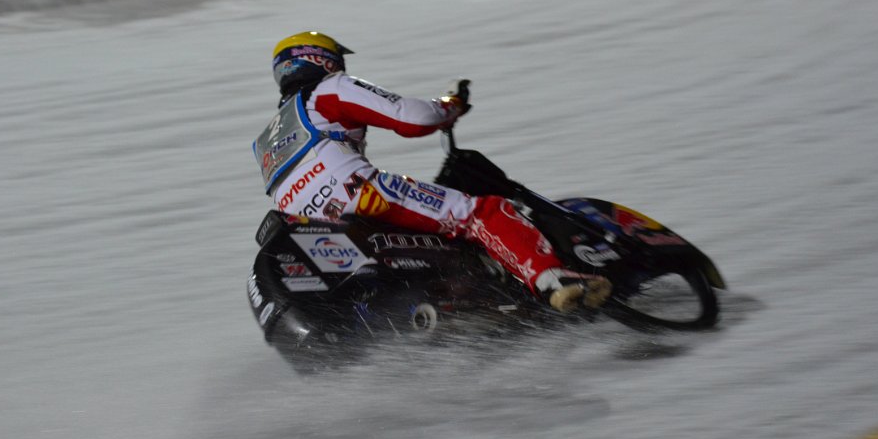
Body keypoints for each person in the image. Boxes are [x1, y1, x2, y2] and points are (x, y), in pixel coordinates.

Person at [253, 31, 610, 311]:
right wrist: (450, 106)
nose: (340, 67)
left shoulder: (267, 138)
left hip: (312, 223)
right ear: (321, 59)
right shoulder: (327, 90)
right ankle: (554, 281)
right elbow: (413, 118)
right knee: (482, 212)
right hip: (358, 193)